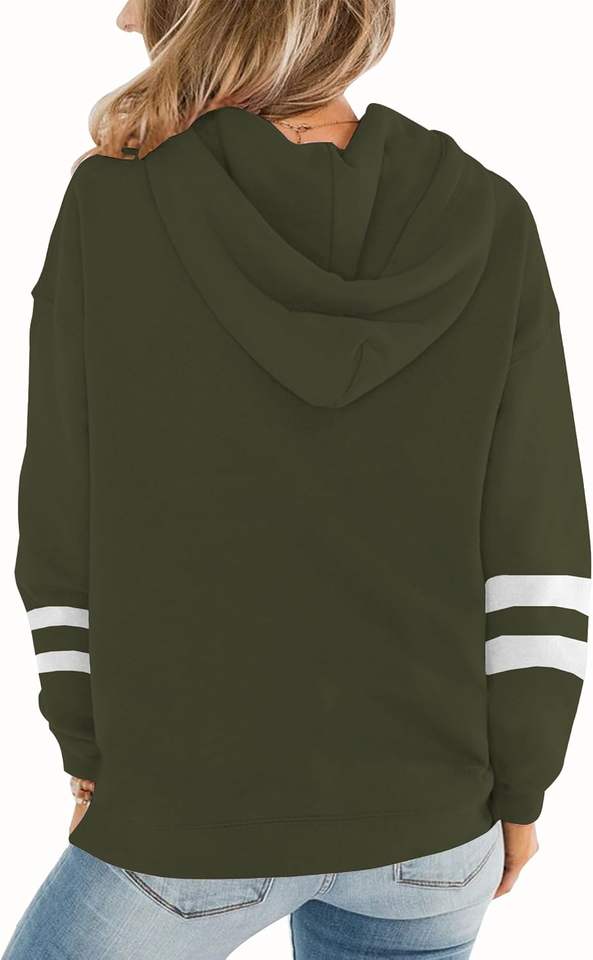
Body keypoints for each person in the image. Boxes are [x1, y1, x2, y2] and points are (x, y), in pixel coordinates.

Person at [3, 1, 589, 958]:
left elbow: (61, 518)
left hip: (187, 818)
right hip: (432, 835)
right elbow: (537, 532)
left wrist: (87, 745)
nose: (121, 16)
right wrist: (522, 784)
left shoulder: (114, 208)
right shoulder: (488, 216)